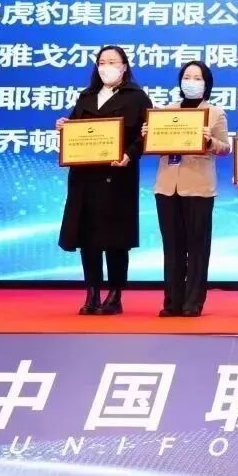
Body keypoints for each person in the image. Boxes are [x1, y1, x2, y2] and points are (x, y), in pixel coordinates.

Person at [57, 45, 152, 316]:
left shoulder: (137, 97)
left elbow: (146, 134)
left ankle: (115, 293)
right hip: (85, 177)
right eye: (102, 62)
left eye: (113, 62)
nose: (106, 67)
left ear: (124, 67)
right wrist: (64, 127)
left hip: (117, 175)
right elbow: (76, 131)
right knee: (87, 236)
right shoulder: (86, 96)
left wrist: (129, 155)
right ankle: (92, 292)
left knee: (115, 236)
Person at [145, 61, 230, 317]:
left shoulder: (215, 113)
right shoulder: (165, 112)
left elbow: (225, 148)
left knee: (197, 247)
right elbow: (153, 147)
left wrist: (209, 141)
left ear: (206, 84)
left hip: (198, 187)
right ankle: (172, 301)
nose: (191, 82)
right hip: (167, 186)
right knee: (172, 247)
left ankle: (193, 302)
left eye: (197, 77)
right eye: (187, 77)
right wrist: (148, 135)